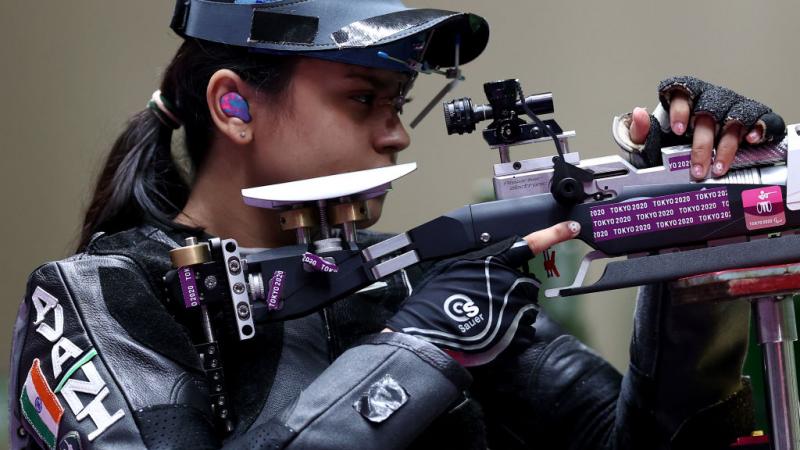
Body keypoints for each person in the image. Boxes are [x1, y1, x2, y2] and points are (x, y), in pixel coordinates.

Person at [8, 1, 786, 449]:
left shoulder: (410, 278)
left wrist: (693, 247)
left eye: (399, 102)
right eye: (362, 99)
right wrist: (423, 343)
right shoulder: (100, 297)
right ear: (233, 107)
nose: (397, 134)